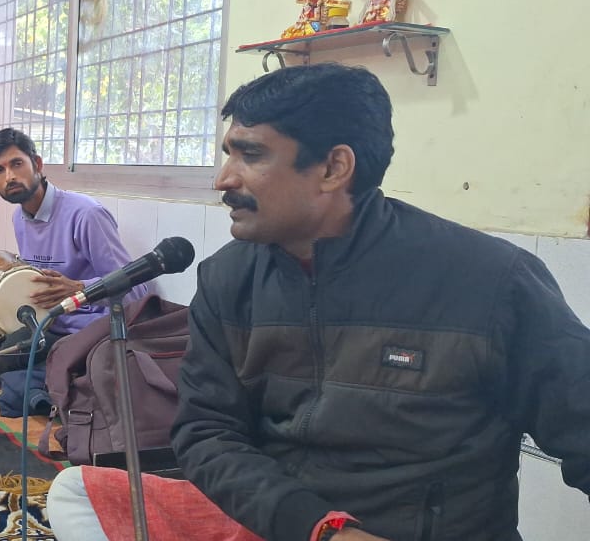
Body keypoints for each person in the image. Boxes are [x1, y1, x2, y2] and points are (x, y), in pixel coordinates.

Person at [47, 64, 590, 541]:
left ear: (333, 168)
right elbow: (206, 432)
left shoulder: (488, 282)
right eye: (228, 153)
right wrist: (320, 528)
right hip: (290, 526)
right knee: (76, 492)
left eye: (250, 155)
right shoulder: (230, 278)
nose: (223, 179)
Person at [0, 128, 147, 387]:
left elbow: (137, 290)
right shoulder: (20, 218)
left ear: (37, 164)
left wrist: (79, 289)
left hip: (77, 331)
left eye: (17, 164)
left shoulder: (86, 215)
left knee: (9, 352)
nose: (10, 176)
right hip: (38, 321)